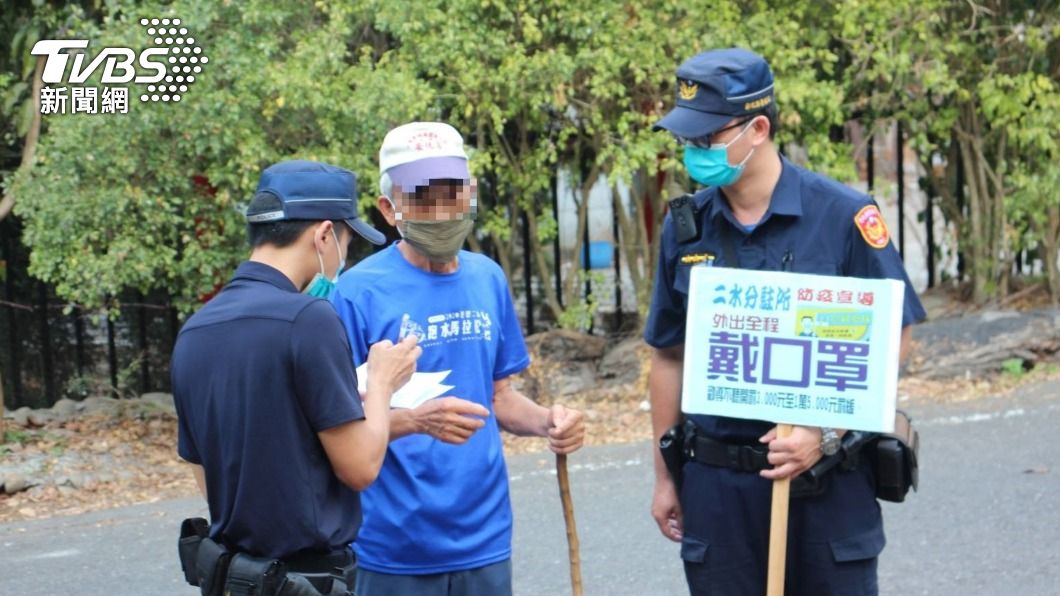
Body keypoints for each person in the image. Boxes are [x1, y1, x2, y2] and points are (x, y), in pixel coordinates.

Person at [645, 49, 926, 595]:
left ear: (758, 128)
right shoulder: (686, 230)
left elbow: (897, 334)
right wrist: (664, 478)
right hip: (718, 487)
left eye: (707, 138)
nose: (695, 152)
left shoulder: (842, 215)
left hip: (827, 486)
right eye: (688, 140)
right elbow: (668, 355)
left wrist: (825, 432)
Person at [330, 122, 586, 596]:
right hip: (392, 543)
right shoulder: (356, 293)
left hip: (484, 534)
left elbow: (499, 397)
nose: (442, 211)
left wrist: (550, 421)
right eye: (423, 197)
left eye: (453, 193)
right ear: (390, 208)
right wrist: (416, 421)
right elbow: (338, 424)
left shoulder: (487, 278)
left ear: (470, 193)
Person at [172, 160, 422, 595]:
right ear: (325, 235)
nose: (343, 257)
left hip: (234, 579)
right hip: (306, 579)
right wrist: (382, 383)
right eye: (346, 242)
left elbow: (206, 474)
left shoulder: (195, 330)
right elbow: (361, 467)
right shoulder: (309, 319)